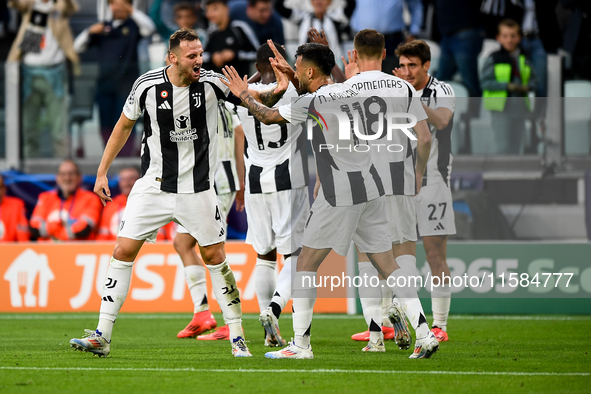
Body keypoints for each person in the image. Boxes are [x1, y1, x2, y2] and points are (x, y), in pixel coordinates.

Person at [69, 28, 288, 358]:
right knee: (123, 250)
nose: (199, 60)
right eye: (192, 56)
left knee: (215, 258)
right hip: (153, 187)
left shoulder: (213, 83)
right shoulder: (146, 85)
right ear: (172, 58)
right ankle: (102, 334)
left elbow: (258, 106)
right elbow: (123, 125)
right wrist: (102, 171)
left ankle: (237, 337)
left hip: (197, 191)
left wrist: (278, 90)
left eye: (200, 53)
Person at [221, 41, 439, 359]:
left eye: (298, 68)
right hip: (372, 188)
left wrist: (242, 93)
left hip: (339, 193)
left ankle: (300, 345)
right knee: (389, 266)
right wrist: (290, 76)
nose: (295, 73)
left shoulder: (315, 101)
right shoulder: (348, 89)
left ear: (310, 70)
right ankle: (424, 334)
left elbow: (267, 116)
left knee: (306, 264)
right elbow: (316, 84)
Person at [339, 30, 436, 351]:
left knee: (368, 256)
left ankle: (376, 336)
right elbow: (424, 139)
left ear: (354, 53)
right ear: (384, 54)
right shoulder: (404, 86)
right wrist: (419, 172)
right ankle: (408, 313)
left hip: (362, 181)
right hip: (400, 176)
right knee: (404, 250)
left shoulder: (345, 89)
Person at [230, 43, 309, 348]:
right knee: (294, 254)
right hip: (289, 178)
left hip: (254, 180)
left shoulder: (242, 95)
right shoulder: (291, 93)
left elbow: (243, 125)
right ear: (278, 61)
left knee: (264, 254)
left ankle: (265, 325)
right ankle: (275, 309)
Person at [391, 39, 455, 342]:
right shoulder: (396, 90)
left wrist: (410, 100)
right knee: (392, 254)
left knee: (434, 253)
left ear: (426, 65)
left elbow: (442, 121)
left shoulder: (441, 91)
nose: (406, 71)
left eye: (412, 65)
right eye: (402, 65)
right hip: (398, 184)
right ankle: (388, 322)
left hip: (433, 183)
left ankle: (439, 324)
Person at [176, 102, 245, 340]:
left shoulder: (197, 101)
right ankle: (203, 313)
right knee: (185, 243)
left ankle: (226, 321)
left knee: (211, 250)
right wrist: (240, 179)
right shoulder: (226, 104)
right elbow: (239, 133)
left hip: (209, 182)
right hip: (221, 180)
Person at [74, 0, 155, 157]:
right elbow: (77, 47)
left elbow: (149, 29)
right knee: (105, 126)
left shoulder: (133, 25)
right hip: (104, 84)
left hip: (126, 87)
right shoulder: (103, 28)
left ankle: (125, 159)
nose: (116, 7)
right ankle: (110, 158)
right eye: (112, 3)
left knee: (125, 124)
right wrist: (90, 31)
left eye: (121, 3)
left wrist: (131, 11)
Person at [8, 0, 80, 158]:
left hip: (56, 73)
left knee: (59, 130)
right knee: (29, 128)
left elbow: (72, 7)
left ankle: (63, 168)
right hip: (29, 72)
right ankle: (30, 168)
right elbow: (15, 4)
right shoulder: (30, 6)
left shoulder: (60, 7)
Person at [480, 19, 537, 154]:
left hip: (519, 106)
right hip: (501, 108)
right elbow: (485, 82)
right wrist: (506, 86)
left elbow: (534, 80)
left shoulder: (524, 58)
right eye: (505, 36)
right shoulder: (493, 58)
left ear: (519, 38)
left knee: (517, 145)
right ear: (498, 38)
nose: (509, 40)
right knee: (503, 146)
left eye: (513, 36)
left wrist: (527, 87)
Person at [30, 160, 102, 241]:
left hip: (77, 251)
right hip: (47, 252)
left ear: (79, 177)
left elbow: (84, 229)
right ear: (57, 178)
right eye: (63, 174)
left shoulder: (91, 199)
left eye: (71, 174)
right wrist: (57, 226)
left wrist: (55, 232)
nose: (67, 178)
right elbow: (34, 228)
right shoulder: (45, 197)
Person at [275, 0, 355, 69]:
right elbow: (279, 6)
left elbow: (351, 4)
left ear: (329, 2)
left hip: (333, 64)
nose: (318, 2)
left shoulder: (336, 17)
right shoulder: (303, 17)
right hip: (306, 64)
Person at [349, 0, 423, 72]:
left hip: (392, 40)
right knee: (365, 78)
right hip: (363, 39)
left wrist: (413, 33)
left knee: (391, 78)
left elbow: (415, 6)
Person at [203, 0, 259, 78]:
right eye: (207, 10)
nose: (210, 14)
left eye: (215, 9)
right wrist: (212, 57)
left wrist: (235, 54)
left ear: (226, 9)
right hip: (218, 86)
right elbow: (200, 57)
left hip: (242, 84)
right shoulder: (210, 33)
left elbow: (256, 54)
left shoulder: (239, 28)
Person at [96, 167, 141, 240]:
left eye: (131, 179)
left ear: (139, 181)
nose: (127, 183)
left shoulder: (149, 204)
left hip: (144, 249)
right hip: (113, 249)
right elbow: (103, 234)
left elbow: (158, 236)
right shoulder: (111, 205)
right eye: (123, 179)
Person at [0, 174, 30, 242]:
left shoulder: (17, 205)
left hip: (10, 250)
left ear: (5, 189)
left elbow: (23, 237)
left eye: (0, 187)